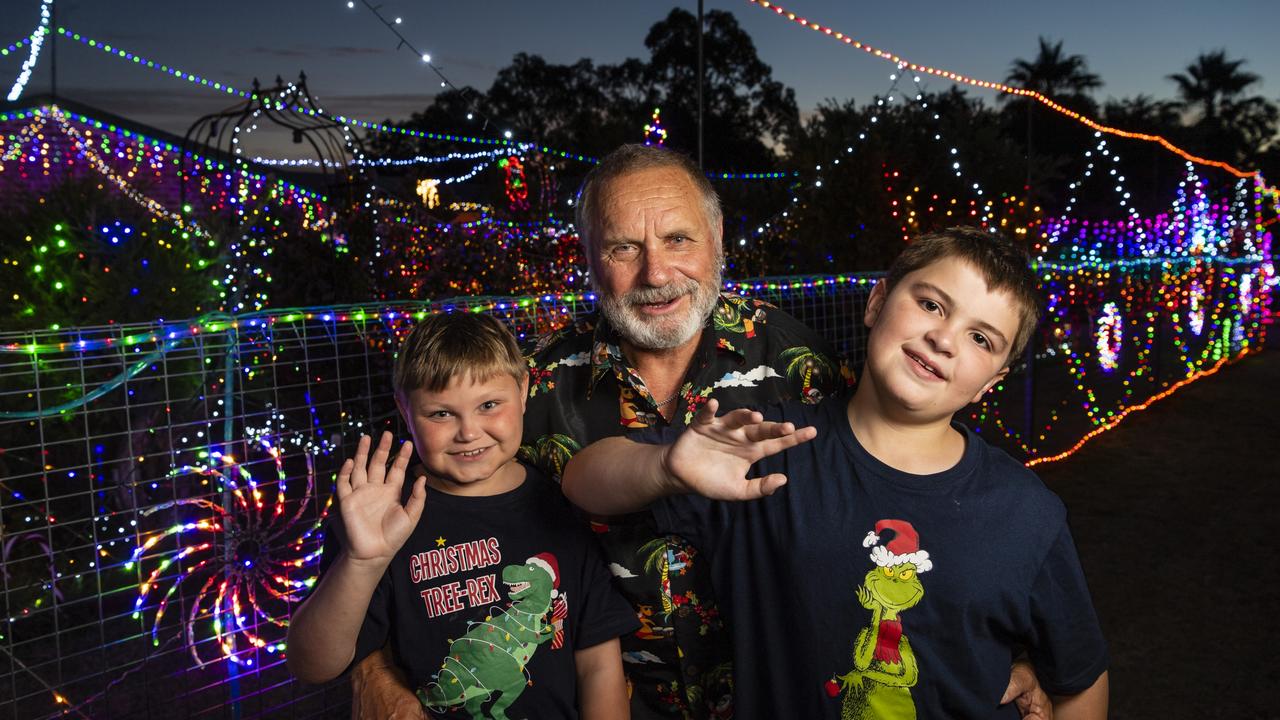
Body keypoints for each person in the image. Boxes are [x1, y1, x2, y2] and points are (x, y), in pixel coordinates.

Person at [348, 145, 1048, 718]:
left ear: (717, 241)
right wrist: (371, 667)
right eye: (624, 247)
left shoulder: (804, 366)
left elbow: (909, 507)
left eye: (678, 239)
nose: (656, 273)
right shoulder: (524, 389)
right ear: (587, 257)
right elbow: (390, 527)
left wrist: (993, 651)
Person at [562, 227, 1110, 718]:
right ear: (877, 301)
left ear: (993, 380)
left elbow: (1080, 681)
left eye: (981, 338)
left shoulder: (1025, 511)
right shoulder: (768, 448)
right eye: (931, 304)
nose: (944, 339)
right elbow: (582, 481)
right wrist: (665, 464)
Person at [288, 313, 638, 719]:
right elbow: (312, 665)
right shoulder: (380, 515)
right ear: (404, 409)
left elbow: (598, 663)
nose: (468, 432)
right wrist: (361, 561)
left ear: (523, 390)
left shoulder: (562, 500)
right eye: (440, 414)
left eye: (489, 405)